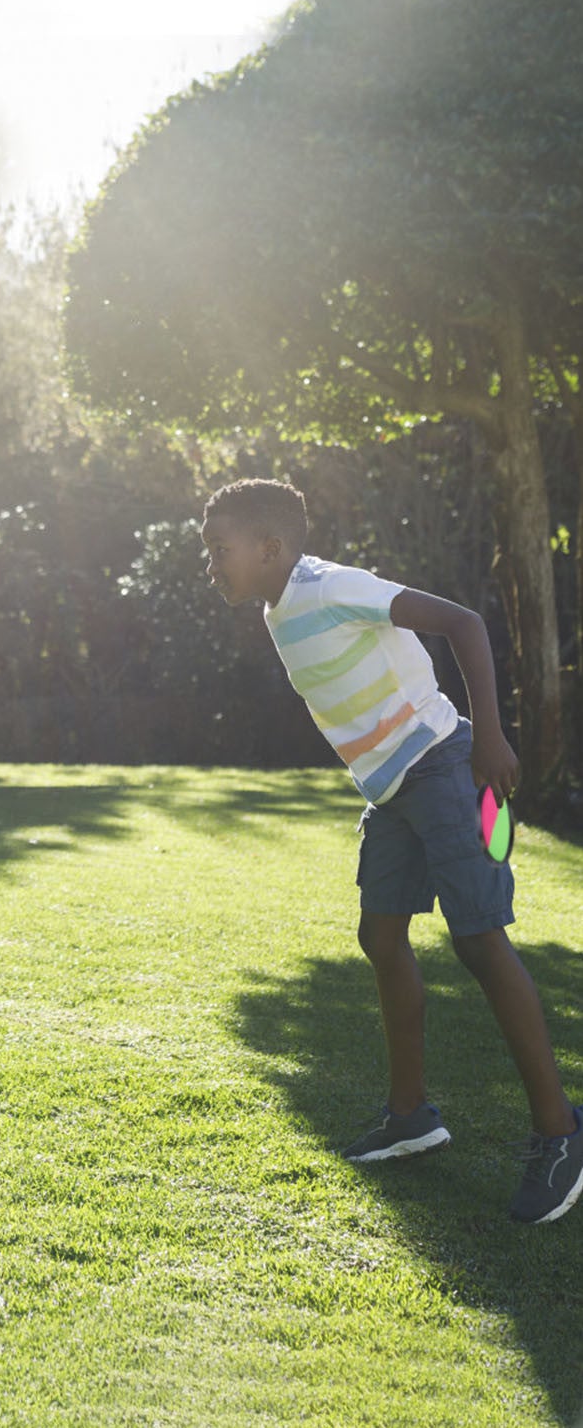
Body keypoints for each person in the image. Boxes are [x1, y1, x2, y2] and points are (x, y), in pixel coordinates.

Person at [200, 477, 582, 1225]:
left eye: (220, 551)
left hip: (445, 766)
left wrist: (492, 737)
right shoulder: (278, 608)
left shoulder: (329, 585)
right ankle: (410, 1116)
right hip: (392, 792)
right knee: (380, 935)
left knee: (479, 942)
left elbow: (464, 623)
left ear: (271, 549)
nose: (211, 566)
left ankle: (561, 1131)